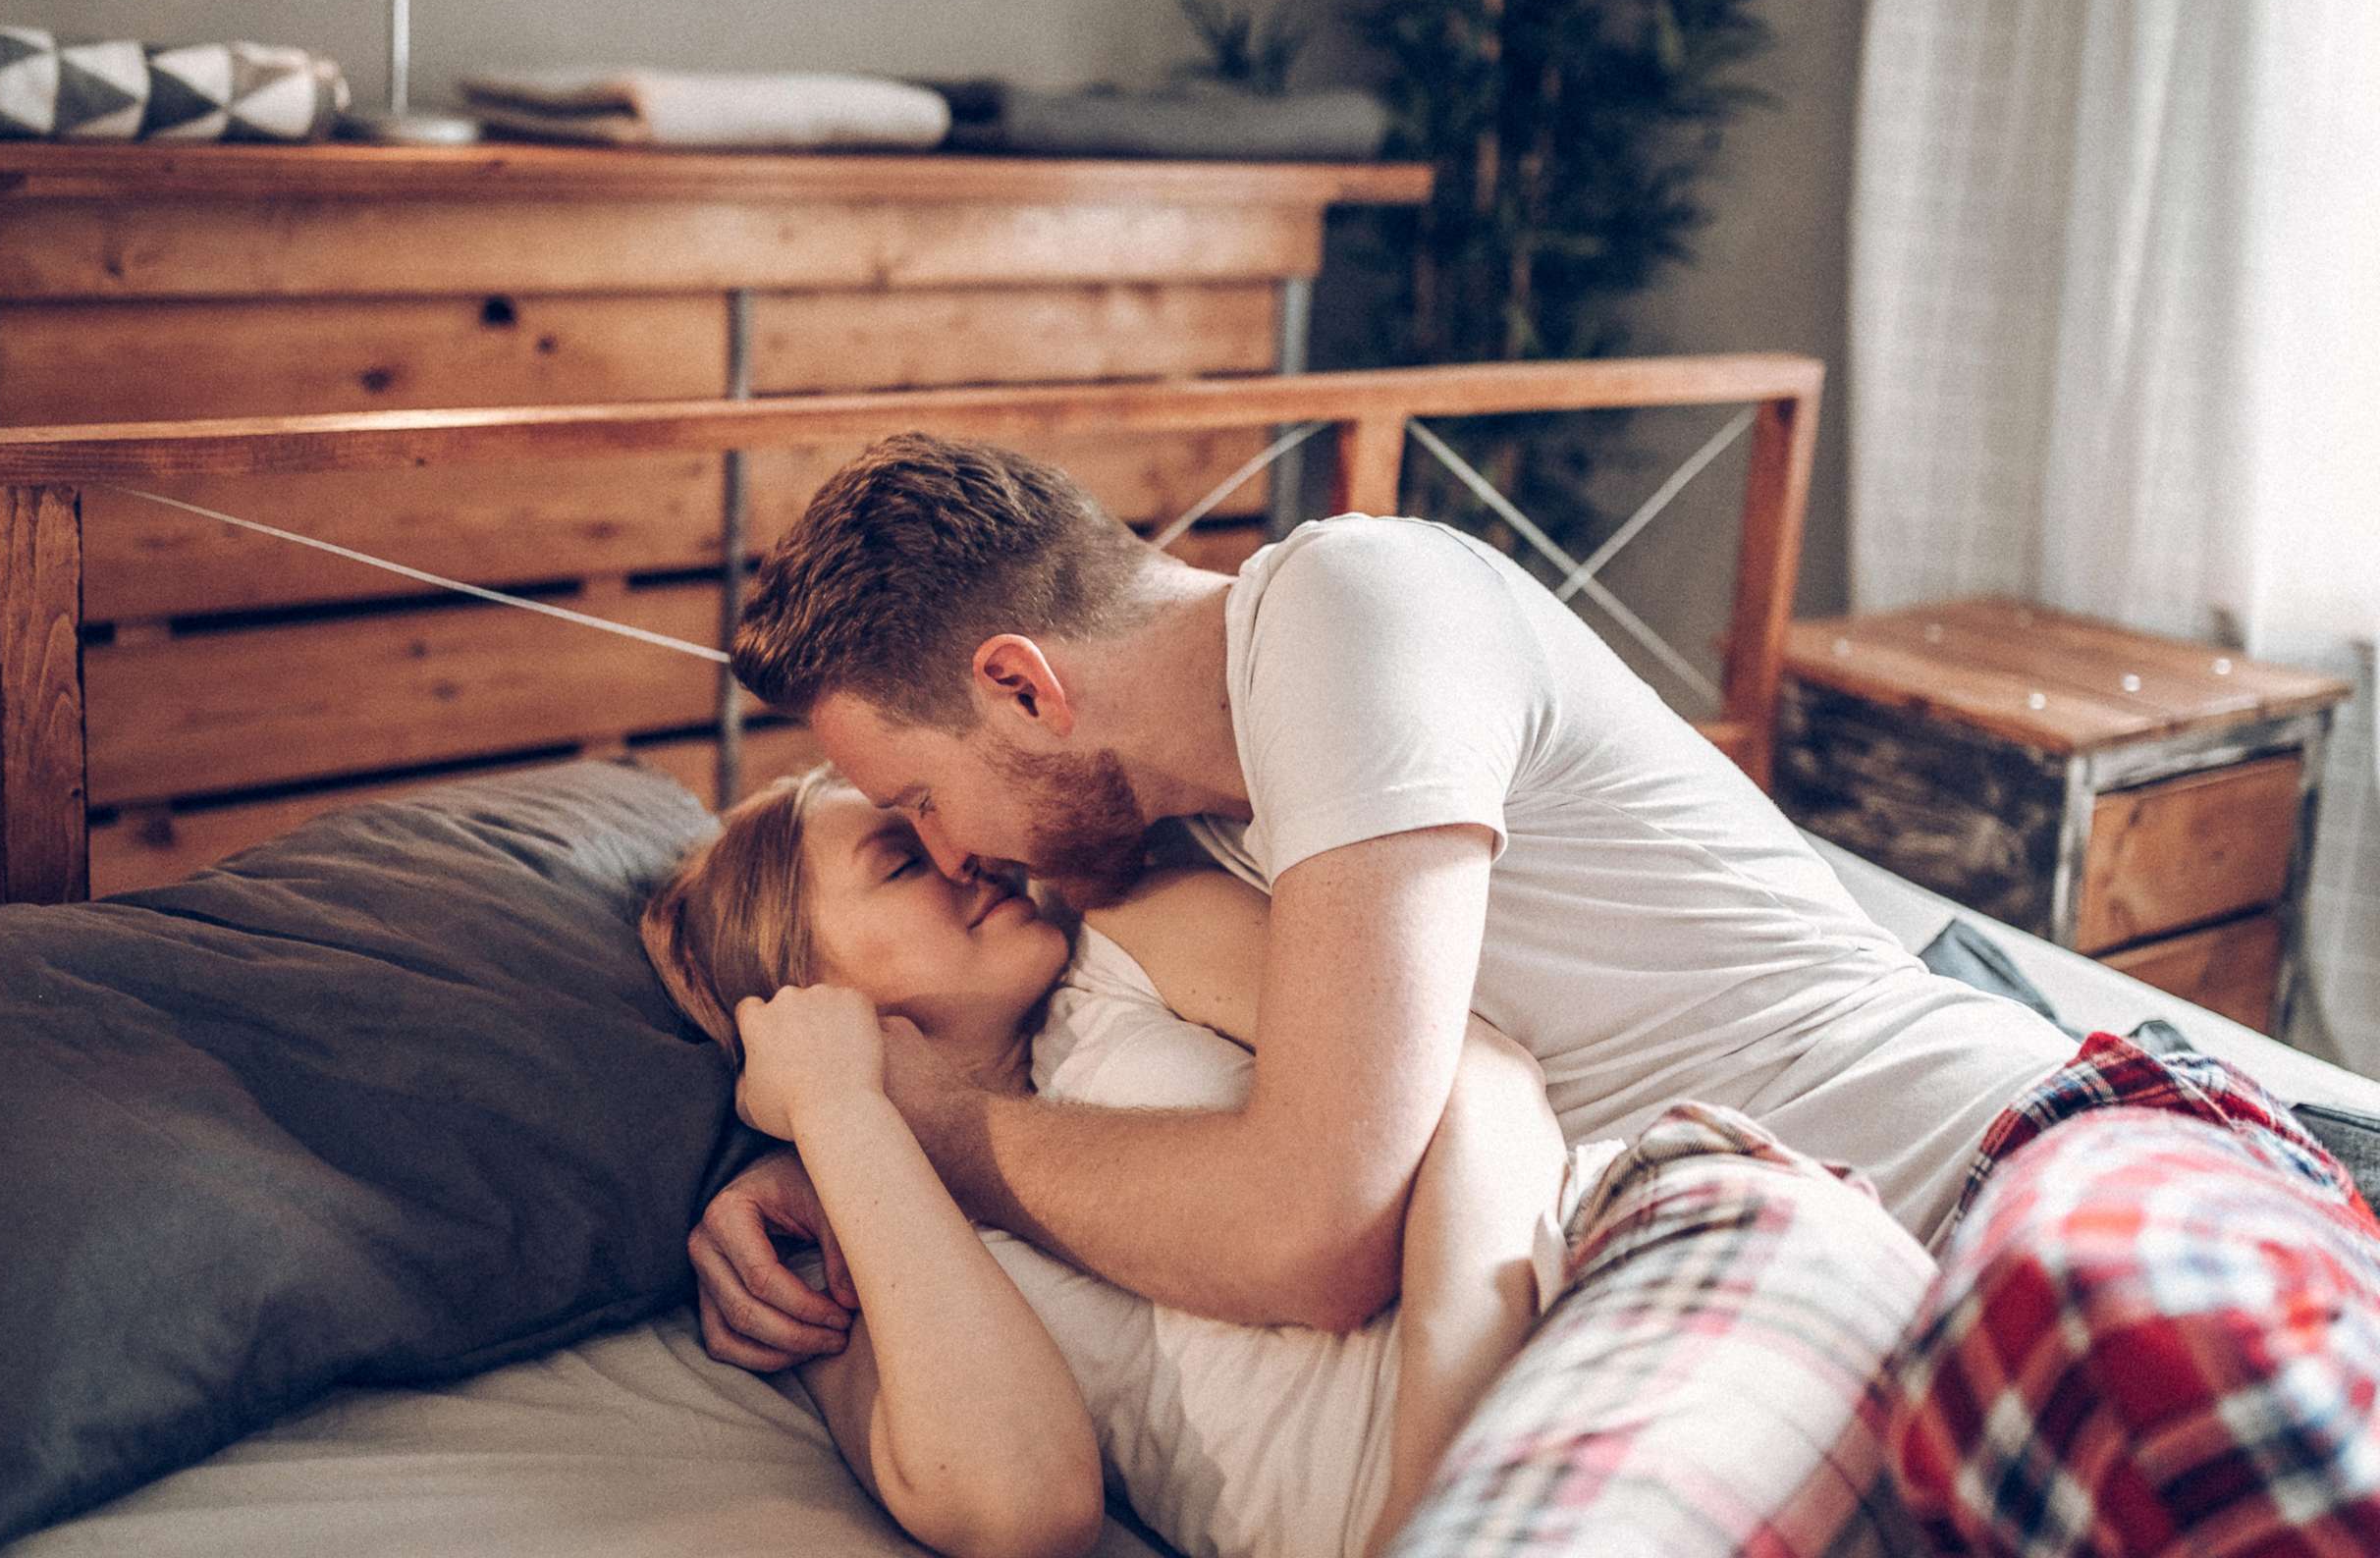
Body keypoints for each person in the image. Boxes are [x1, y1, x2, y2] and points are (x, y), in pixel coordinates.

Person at [695, 433, 2380, 1556]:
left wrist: (932, 1129)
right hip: (1794, 1301)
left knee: (2121, 1353)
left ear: (1021, 685)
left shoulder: (1352, 614)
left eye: (921, 803)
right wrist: (840, 1162)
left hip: (2022, 1144)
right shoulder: (1164, 847)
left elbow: (1313, 1214)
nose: (959, 851)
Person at [644, 764, 1939, 1558]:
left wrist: (1436, 1493)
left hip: (1664, 1270)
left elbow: (1475, 1085)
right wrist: (844, 1119)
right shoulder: (848, 1248)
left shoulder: (1129, 947)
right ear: (806, 993)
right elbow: (1025, 1505)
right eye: (895, 857)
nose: (959, 852)